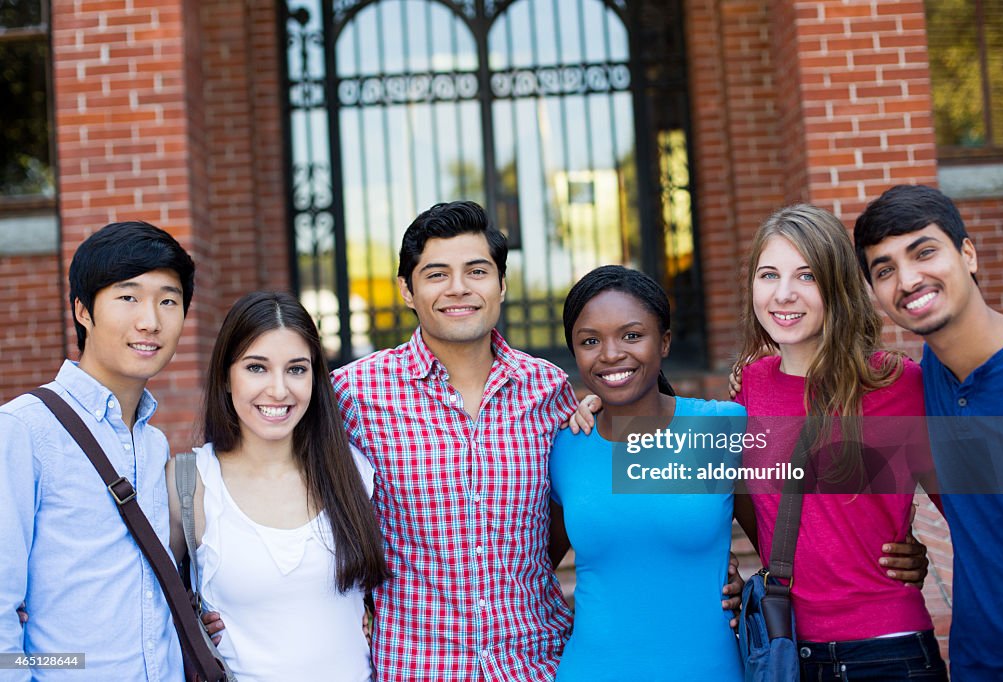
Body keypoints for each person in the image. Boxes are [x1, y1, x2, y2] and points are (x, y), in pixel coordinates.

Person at [329, 201, 743, 681]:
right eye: (437, 274)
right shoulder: (353, 396)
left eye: (476, 271)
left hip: (535, 664)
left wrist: (708, 564)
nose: (458, 288)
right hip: (418, 665)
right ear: (407, 289)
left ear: (501, 285)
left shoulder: (548, 390)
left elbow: (598, 500)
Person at [733, 205, 946, 680]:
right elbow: (740, 496)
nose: (783, 294)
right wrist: (603, 408)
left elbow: (971, 513)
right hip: (790, 650)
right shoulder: (749, 386)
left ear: (838, 286)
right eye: (769, 275)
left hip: (889, 650)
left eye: (806, 276)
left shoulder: (899, 384)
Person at [0, 221, 194, 680]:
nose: (150, 320)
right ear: (83, 311)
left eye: (168, 300)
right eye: (128, 297)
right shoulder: (23, 430)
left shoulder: (152, 442)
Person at [166, 291, 388, 681]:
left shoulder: (354, 470)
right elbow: (143, 605)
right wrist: (189, 623)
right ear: (226, 377)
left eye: (297, 369)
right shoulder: (190, 483)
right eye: (257, 368)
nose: (279, 390)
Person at [854, 184, 1003, 681]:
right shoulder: (924, 380)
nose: (907, 279)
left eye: (924, 251)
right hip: (982, 664)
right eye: (885, 270)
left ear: (967, 253)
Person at [550, 265, 744, 680]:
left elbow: (788, 544)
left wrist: (754, 587)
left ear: (665, 342)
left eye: (632, 335)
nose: (611, 353)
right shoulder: (563, 447)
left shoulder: (720, 429)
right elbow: (527, 568)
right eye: (590, 341)